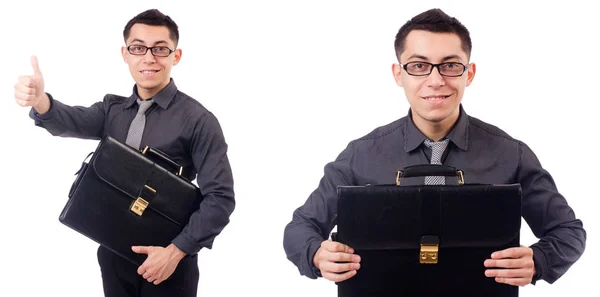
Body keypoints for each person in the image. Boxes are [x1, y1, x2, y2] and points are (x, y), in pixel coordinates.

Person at [283, 8, 586, 287]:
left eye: (450, 65)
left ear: (469, 73)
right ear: (398, 74)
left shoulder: (511, 154)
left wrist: (539, 260)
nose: (436, 80)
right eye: (419, 65)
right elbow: (299, 228)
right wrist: (316, 255)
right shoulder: (360, 155)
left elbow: (569, 231)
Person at [13, 9, 235, 297]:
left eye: (160, 49)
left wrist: (175, 252)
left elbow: (220, 198)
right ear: (125, 53)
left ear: (175, 56)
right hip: (112, 254)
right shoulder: (113, 111)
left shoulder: (198, 121)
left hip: (167, 261)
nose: (149, 58)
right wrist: (41, 101)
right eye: (139, 48)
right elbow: (71, 120)